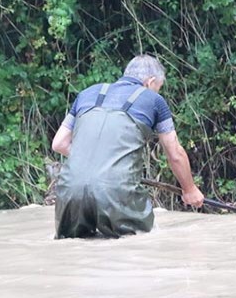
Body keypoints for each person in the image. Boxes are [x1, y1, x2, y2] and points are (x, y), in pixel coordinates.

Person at [51, 54, 204, 239]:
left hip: (69, 191)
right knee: (145, 242)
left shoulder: (86, 94)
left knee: (76, 248)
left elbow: (59, 144)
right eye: (158, 88)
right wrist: (189, 190)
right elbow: (175, 154)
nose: (157, 92)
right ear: (150, 82)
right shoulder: (155, 101)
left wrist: (97, 160)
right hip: (116, 190)